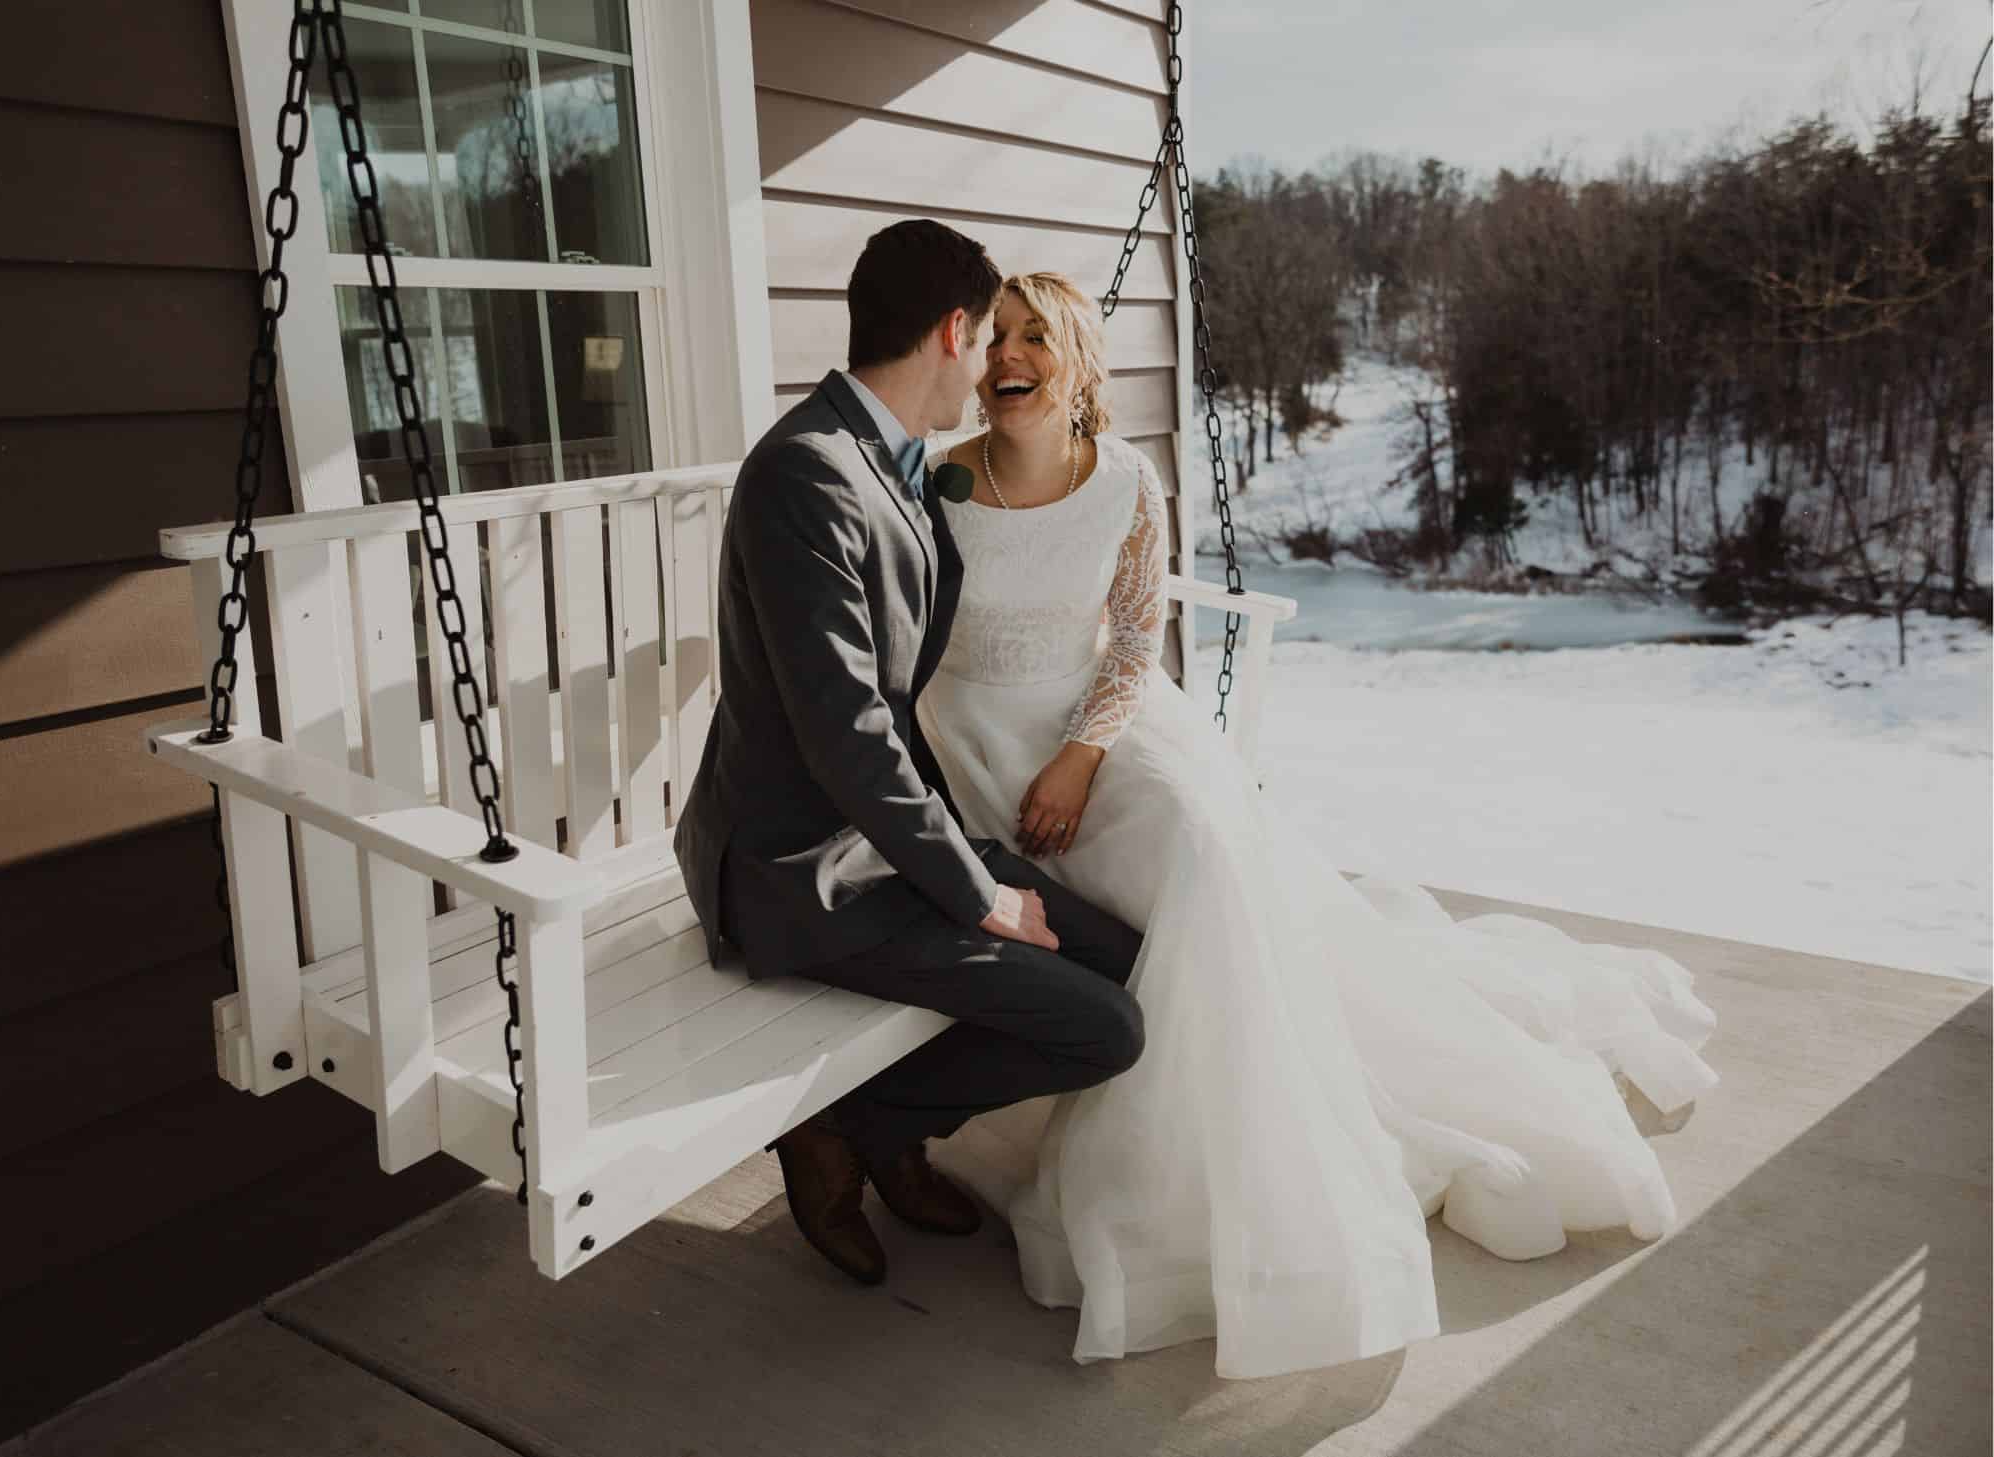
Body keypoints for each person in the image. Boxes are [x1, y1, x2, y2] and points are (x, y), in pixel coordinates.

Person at [913, 272, 1721, 1378]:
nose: (1007, 355)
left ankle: (1211, 1169)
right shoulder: (940, 482)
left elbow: (1137, 633)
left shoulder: (1127, 485)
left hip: (1092, 724)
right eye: (995, 336)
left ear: (1078, 361)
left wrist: (1081, 752)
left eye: (1033, 336)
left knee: (1203, 851)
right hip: (971, 740)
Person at [674, 223, 1148, 1289]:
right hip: (800, 870)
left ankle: (876, 1126)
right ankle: (848, 1127)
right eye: (987, 338)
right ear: (951, 330)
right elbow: (847, 730)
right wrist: (976, 890)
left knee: (1122, 960)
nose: (991, 367)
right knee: (1104, 1025)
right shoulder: (806, 473)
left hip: (881, 839)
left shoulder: (890, 460)